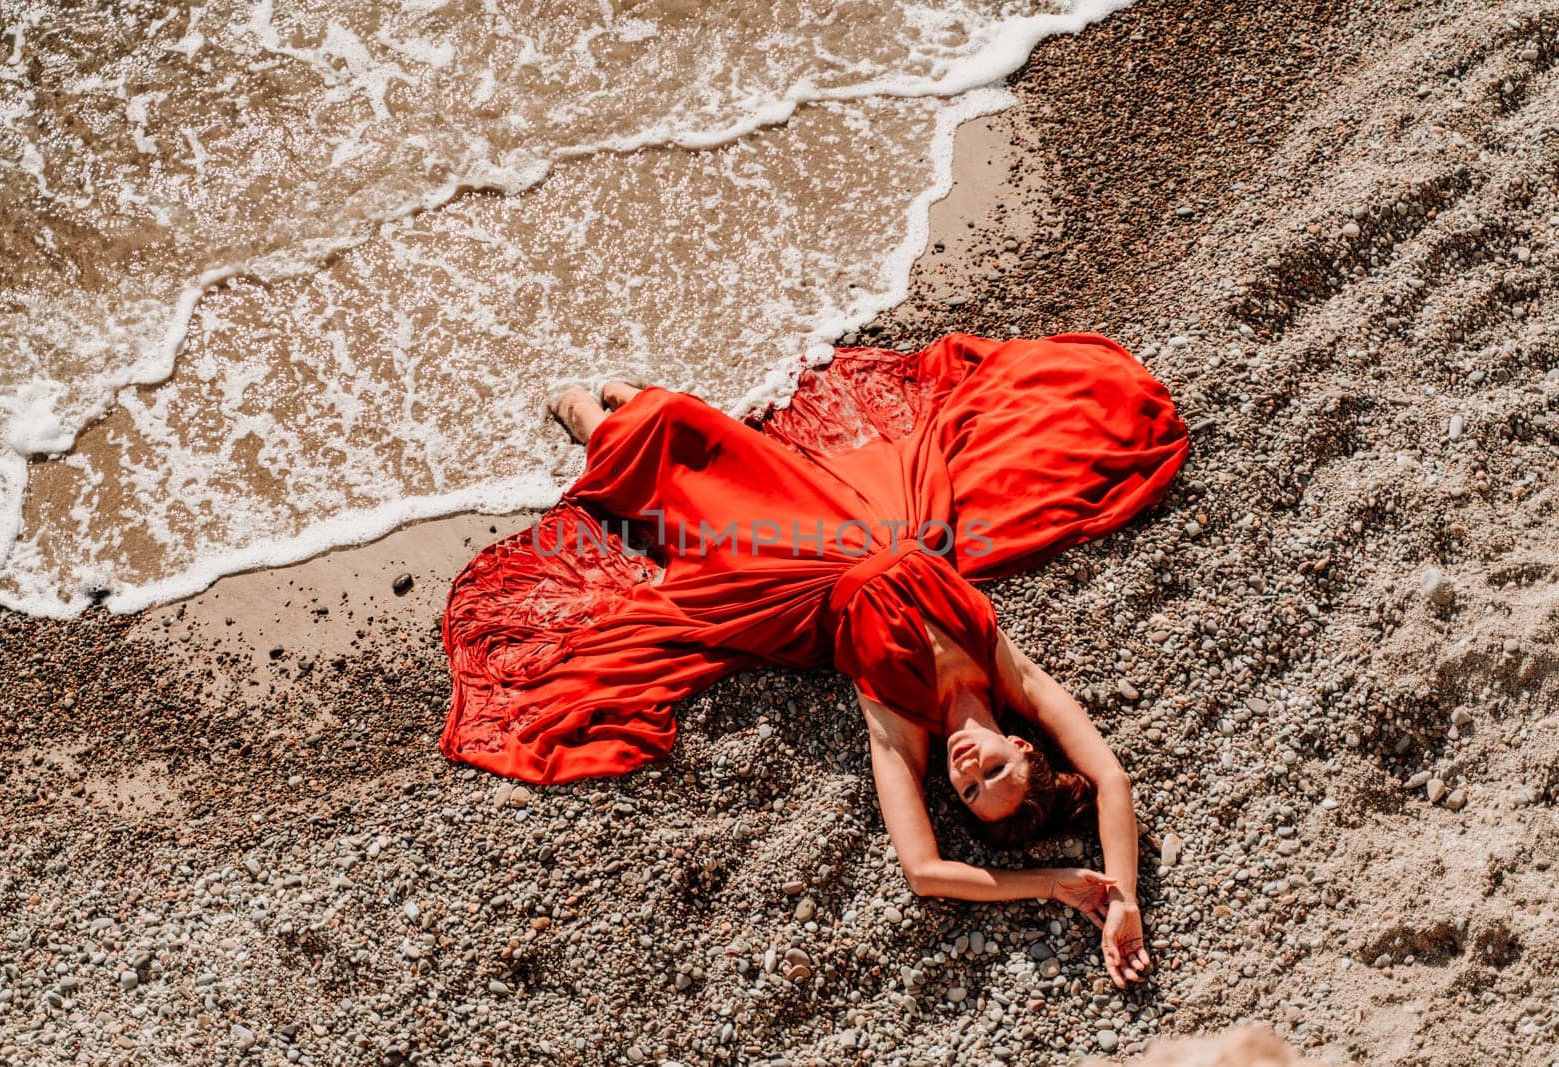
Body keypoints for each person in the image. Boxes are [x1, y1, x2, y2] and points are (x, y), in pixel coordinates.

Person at [442, 334, 1187, 990]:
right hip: (854, 521)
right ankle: (632, 403)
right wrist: (1123, 899)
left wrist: (1054, 884)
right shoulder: (1007, 670)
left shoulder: (903, 726)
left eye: (965, 789)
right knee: (706, 436)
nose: (968, 768)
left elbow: (925, 872)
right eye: (994, 768)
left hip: (790, 580)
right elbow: (1110, 776)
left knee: (671, 491)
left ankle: (593, 420)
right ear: (1021, 744)